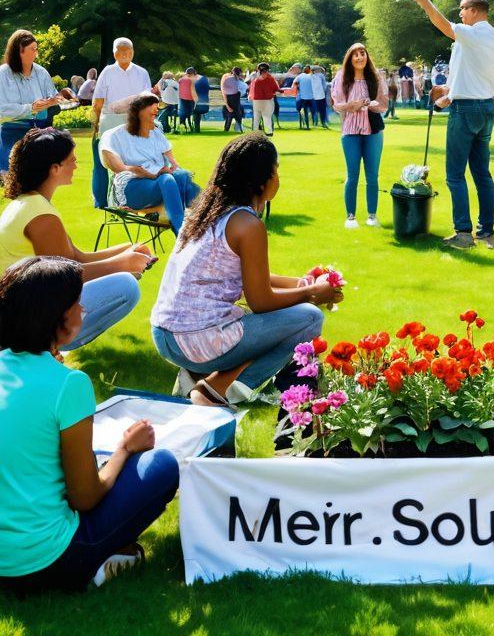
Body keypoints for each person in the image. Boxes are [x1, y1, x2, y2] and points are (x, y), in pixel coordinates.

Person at [0, 257, 179, 592]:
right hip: (47, 560)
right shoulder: (69, 384)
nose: (83, 310)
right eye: (77, 303)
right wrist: (125, 448)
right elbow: (84, 497)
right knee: (162, 465)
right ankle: (99, 564)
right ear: (58, 317)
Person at [150, 132, 343, 405]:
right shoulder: (247, 224)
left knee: (273, 321)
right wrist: (312, 294)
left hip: (165, 334)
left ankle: (195, 377)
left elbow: (240, 277)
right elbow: (261, 301)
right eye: (276, 170)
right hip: (195, 340)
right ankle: (219, 390)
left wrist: (302, 283)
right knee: (309, 318)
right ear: (261, 179)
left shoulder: (205, 213)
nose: (278, 177)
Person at [0, 128, 146, 350]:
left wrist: (125, 251)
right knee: (126, 286)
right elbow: (62, 279)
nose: (76, 165)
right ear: (55, 168)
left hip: (22, 302)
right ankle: (47, 346)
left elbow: (76, 257)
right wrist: (122, 264)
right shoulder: (41, 216)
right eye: (72, 160)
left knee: (122, 276)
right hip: (21, 313)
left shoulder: (29, 203)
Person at [410, 0, 494, 250]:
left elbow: (442, 24)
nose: (460, 13)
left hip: (466, 111)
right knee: (482, 174)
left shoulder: (472, 33)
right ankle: (487, 233)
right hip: (486, 108)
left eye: (463, 9)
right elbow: (473, 71)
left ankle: (463, 233)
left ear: (474, 11)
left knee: (454, 174)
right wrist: (449, 91)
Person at [100, 94, 201, 236]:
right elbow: (119, 168)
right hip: (131, 188)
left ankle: (208, 223)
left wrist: (173, 169)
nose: (156, 117)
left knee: (182, 176)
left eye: (156, 113)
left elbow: (173, 163)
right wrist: (154, 174)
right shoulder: (114, 135)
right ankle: (184, 235)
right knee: (167, 179)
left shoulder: (155, 133)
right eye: (151, 114)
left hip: (159, 184)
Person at [330, 43, 388, 229]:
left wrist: (371, 104)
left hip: (373, 131)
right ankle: (350, 217)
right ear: (350, 59)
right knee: (352, 175)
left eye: (362, 53)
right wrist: (351, 105)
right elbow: (337, 104)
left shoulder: (375, 77)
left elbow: (383, 103)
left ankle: (372, 216)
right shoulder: (342, 78)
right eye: (355, 55)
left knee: (372, 176)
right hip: (350, 132)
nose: (359, 57)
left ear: (367, 56)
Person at [0, 29, 72, 175]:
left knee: (41, 178)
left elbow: (53, 98)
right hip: (12, 132)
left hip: (41, 133)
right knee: (14, 179)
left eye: (36, 49)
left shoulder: (42, 72)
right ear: (20, 50)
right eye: (32, 49)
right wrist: (31, 108)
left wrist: (62, 97)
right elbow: (2, 110)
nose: (36, 53)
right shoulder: (3, 74)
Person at [91, 39, 152, 209]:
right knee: (105, 162)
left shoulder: (141, 72)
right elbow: (98, 101)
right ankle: (103, 201)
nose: (125, 55)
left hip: (131, 122)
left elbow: (147, 100)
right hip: (113, 121)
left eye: (128, 52)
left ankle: (120, 201)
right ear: (115, 54)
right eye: (121, 52)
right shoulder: (108, 72)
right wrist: (96, 124)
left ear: (133, 53)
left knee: (125, 163)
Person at [249, 63, 279, 136]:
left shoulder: (255, 78)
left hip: (256, 100)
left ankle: (255, 132)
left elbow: (251, 89)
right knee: (267, 116)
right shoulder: (270, 78)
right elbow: (276, 88)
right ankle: (269, 132)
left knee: (256, 117)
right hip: (267, 100)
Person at [221, 67, 244, 133]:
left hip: (230, 98)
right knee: (237, 115)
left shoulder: (227, 78)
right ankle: (239, 129)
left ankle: (227, 129)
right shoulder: (234, 79)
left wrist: (227, 105)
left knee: (230, 115)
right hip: (233, 98)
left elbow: (224, 92)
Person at [177, 67, 197, 133]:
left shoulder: (181, 80)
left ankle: (182, 125)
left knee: (183, 113)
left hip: (182, 98)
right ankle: (188, 126)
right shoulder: (193, 80)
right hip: (190, 99)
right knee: (189, 113)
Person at [296, 64, 315, 130]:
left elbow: (295, 83)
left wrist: (299, 88)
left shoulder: (300, 76)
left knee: (304, 110)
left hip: (304, 97)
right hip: (310, 98)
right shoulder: (311, 76)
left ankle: (305, 124)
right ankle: (309, 124)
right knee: (310, 111)